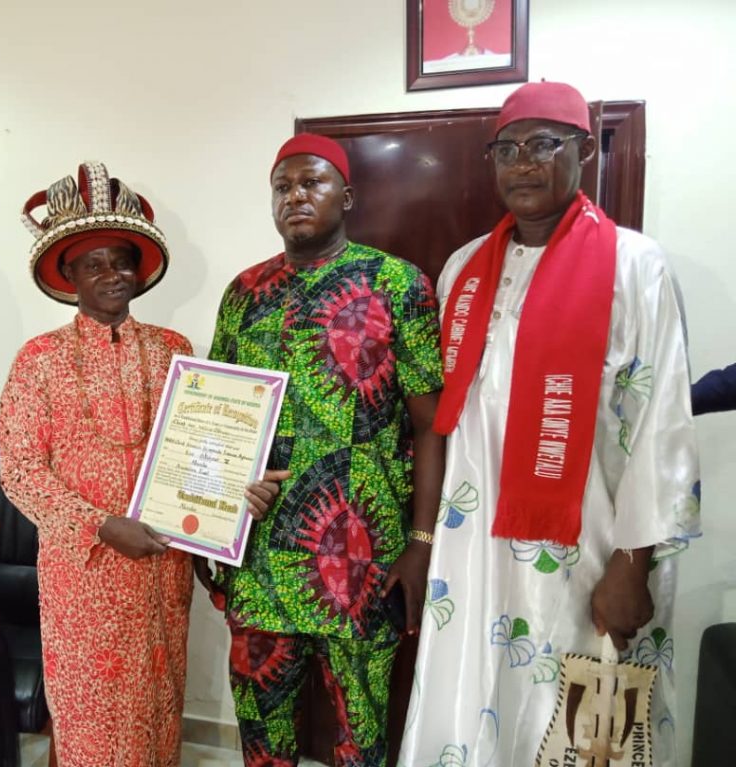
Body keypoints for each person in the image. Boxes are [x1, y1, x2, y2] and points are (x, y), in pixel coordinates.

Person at [398, 81, 701, 766]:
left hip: (588, 545)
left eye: (543, 144)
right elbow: (447, 416)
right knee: (472, 696)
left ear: (585, 151)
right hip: (472, 545)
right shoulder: (462, 269)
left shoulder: (636, 263)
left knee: (583, 723)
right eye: (507, 148)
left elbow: (661, 425)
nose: (523, 163)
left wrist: (631, 566)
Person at [0, 162, 284, 767]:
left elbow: (207, 450)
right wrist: (100, 525)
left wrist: (241, 488)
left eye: (122, 261)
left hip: (163, 564)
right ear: (68, 274)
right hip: (85, 573)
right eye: (94, 264)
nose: (112, 275)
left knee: (158, 709)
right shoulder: (39, 360)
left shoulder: (173, 351)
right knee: (90, 722)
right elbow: (21, 470)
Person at [203, 134, 445, 766]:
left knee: (361, 741)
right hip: (258, 558)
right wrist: (207, 522)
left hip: (361, 561)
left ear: (347, 195)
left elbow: (430, 425)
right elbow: (215, 418)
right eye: (283, 187)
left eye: (311, 183)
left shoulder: (399, 286)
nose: (295, 197)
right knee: (262, 737)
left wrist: (421, 546)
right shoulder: (244, 293)